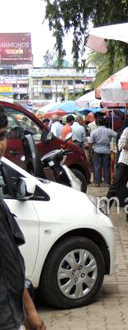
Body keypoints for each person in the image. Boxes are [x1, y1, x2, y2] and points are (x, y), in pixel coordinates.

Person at [0, 107, 46, 330]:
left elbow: (12, 261)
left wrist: (29, 311)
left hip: (9, 315)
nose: (0, 145)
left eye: (1, 136)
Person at [89, 117, 117, 187]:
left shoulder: (94, 132)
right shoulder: (108, 131)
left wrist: (90, 151)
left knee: (97, 166)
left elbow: (90, 142)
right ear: (105, 123)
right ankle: (107, 182)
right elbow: (117, 135)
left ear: (97, 123)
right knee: (106, 167)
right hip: (106, 151)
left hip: (97, 150)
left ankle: (97, 182)